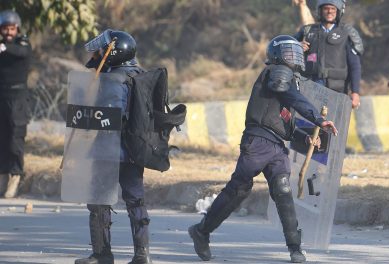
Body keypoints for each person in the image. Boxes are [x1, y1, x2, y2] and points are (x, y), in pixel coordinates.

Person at [187, 35, 338, 263]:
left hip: (277, 145)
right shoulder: (278, 73)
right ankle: (201, 231)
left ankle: (295, 248)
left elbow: (283, 123)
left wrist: (305, 138)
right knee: (238, 189)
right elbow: (287, 95)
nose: (293, 57)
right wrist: (316, 118)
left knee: (283, 191)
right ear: (277, 56)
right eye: (289, 53)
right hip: (258, 141)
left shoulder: (287, 81)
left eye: (294, 53)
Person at [75, 29, 152, 264]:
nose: (99, 54)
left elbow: (108, 116)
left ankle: (102, 254)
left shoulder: (112, 80)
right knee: (135, 200)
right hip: (134, 150)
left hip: (108, 150)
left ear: (115, 53)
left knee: (99, 200)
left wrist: (83, 117)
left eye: (103, 50)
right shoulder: (139, 75)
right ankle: (142, 254)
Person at [293, 0, 363, 109]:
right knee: (307, 124)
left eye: (333, 9)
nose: (329, 11)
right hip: (310, 87)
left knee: (334, 124)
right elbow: (284, 49)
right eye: (326, 8)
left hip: (337, 90)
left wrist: (355, 92)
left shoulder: (346, 33)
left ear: (338, 11)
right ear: (320, 11)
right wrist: (296, 46)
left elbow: (355, 65)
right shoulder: (307, 31)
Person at [0, 10, 32, 198]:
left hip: (17, 98)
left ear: (17, 29)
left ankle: (15, 176)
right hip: (1, 97)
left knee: (15, 140)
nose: (9, 32)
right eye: (5, 29)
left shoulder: (22, 43)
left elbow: (21, 52)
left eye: (11, 29)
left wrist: (4, 48)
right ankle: (2, 176)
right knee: (2, 139)